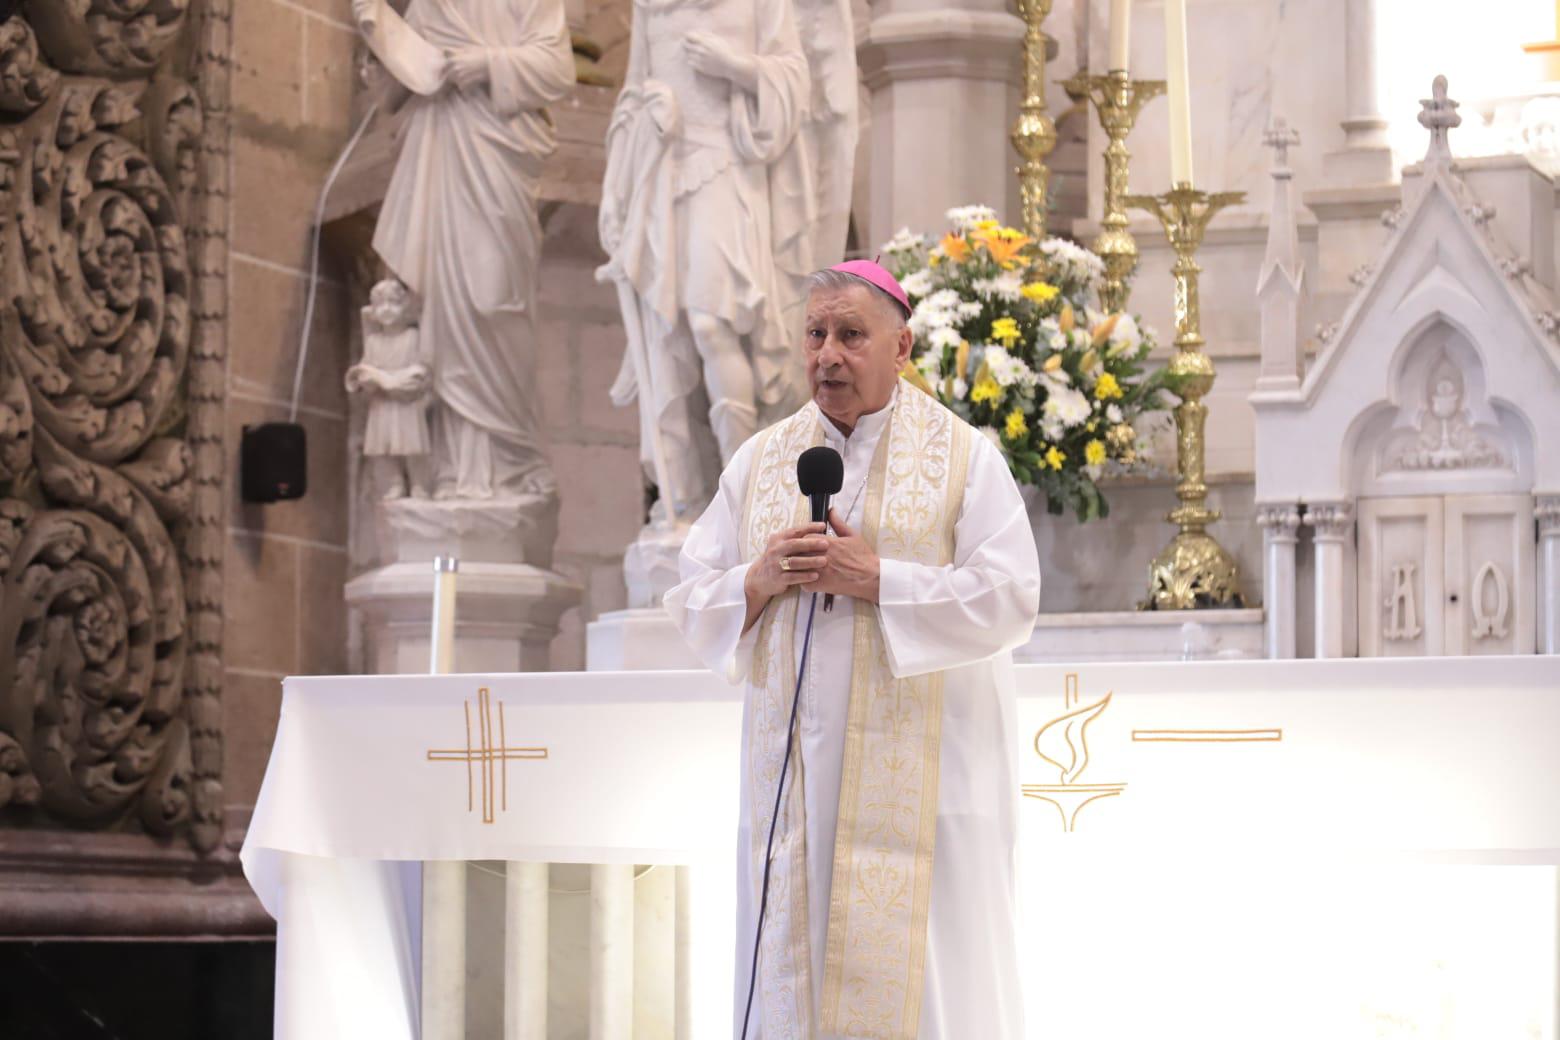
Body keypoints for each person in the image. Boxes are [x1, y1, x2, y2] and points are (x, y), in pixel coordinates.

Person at [665, 260, 1042, 1038]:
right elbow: (691, 594)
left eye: (850, 335)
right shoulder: (762, 461)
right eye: (815, 334)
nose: (828, 354)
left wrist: (882, 580)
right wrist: (761, 577)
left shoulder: (964, 458)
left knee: (931, 982)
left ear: (900, 346)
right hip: (793, 793)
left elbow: (1011, 597)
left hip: (929, 795)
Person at [357, 0, 574, 500]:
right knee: (439, 315)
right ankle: (453, 473)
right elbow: (397, 89)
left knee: (492, 302)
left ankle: (508, 464)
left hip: (496, 157)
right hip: (438, 155)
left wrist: (486, 64)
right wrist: (378, 40)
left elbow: (557, 68)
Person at [345, 277, 431, 500]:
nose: (386, 310)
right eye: (380, 304)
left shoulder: (412, 338)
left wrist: (389, 380)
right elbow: (365, 369)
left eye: (393, 303)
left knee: (411, 445)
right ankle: (394, 484)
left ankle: (420, 484)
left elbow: (421, 371)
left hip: (406, 404)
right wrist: (368, 380)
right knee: (384, 448)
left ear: (405, 307)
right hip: (382, 404)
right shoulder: (374, 342)